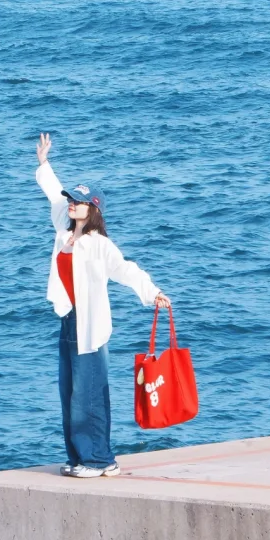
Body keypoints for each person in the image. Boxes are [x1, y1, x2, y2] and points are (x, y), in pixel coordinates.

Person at [35, 132, 169, 478]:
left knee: (88, 395)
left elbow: (125, 269)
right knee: (69, 392)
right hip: (68, 320)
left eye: (78, 202)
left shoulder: (98, 244)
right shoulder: (63, 233)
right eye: (71, 200)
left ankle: (99, 459)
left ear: (93, 209)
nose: (71, 204)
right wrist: (44, 163)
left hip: (91, 325)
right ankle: (82, 457)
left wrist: (151, 292)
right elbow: (52, 193)